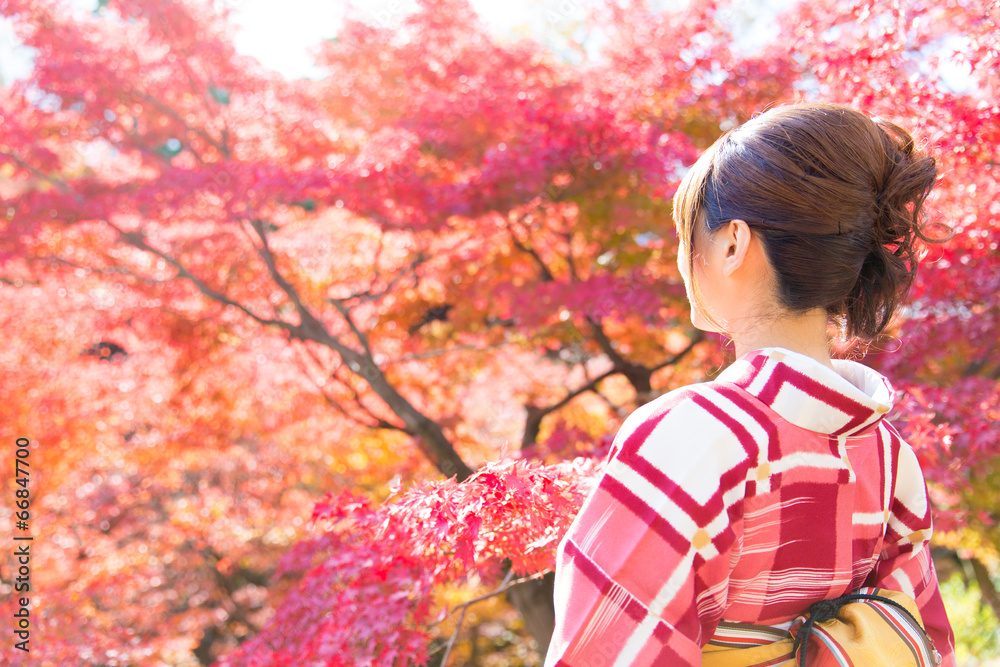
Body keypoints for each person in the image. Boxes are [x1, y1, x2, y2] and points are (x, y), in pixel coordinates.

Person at [544, 103, 957, 666]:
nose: (682, 258)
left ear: (733, 243)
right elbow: (926, 641)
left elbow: (602, 650)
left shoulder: (694, 434)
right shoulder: (888, 456)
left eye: (690, 234)